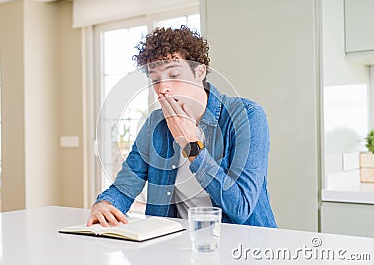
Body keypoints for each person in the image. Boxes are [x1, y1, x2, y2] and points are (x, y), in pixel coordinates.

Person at [87, 26, 277, 228]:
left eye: (174, 75)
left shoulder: (247, 116)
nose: (162, 88)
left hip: (243, 247)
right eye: (155, 80)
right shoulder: (155, 124)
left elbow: (241, 207)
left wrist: (190, 143)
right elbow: (126, 184)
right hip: (177, 244)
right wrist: (104, 204)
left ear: (199, 72)